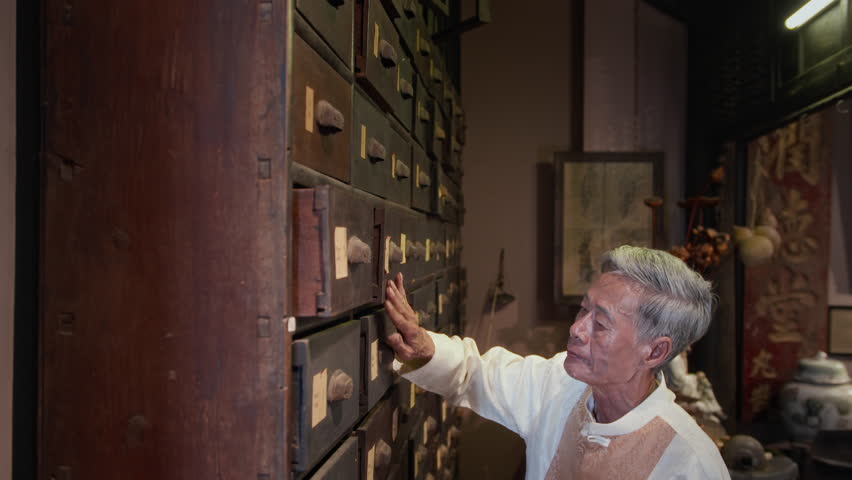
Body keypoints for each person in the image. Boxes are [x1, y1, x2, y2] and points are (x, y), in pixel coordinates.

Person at [383, 245, 730, 480]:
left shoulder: (690, 463)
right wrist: (425, 348)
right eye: (583, 310)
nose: (577, 329)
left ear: (654, 352)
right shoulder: (563, 385)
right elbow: (476, 373)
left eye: (601, 323)